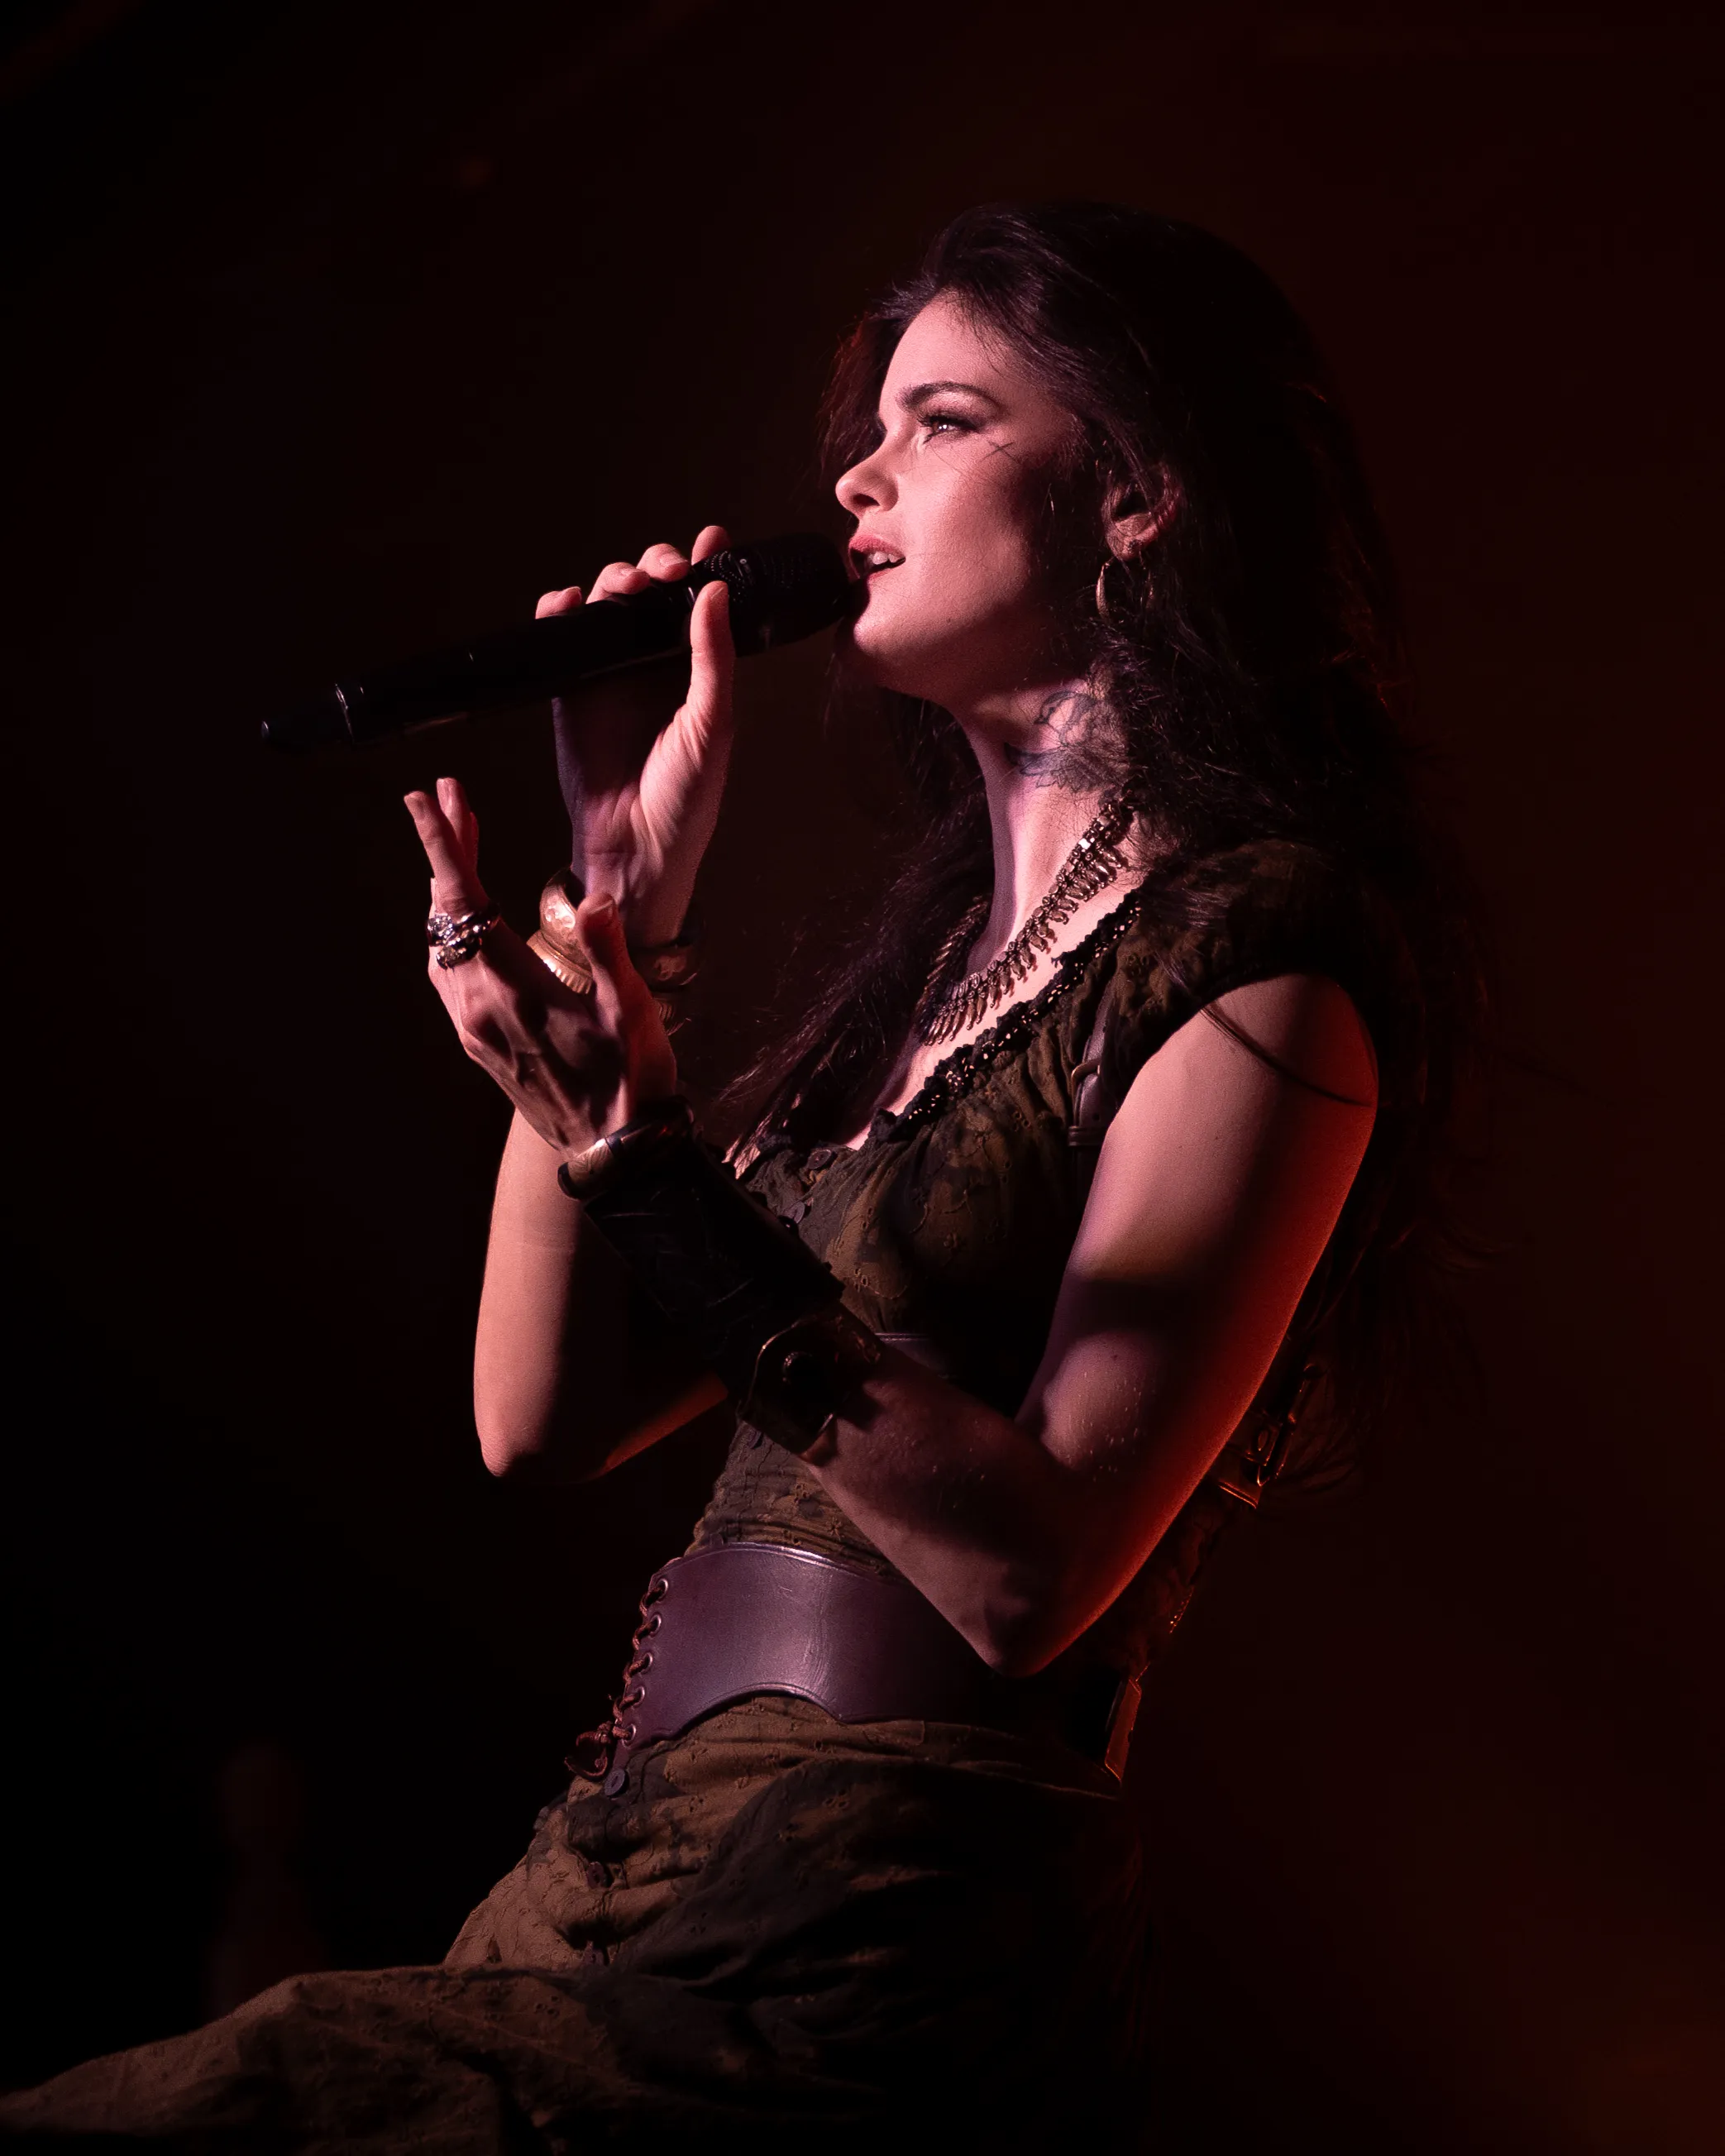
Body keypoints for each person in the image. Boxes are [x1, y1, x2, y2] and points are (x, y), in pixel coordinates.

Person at [1, 202, 1481, 2151]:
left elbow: (1027, 1573)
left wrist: (641, 1156)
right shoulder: (920, 985)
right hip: (620, 1867)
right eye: (867, 432)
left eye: (941, 422)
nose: (855, 479)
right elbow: (533, 1422)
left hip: (871, 1924)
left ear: (1134, 494)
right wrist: (618, 906)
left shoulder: (1259, 957)